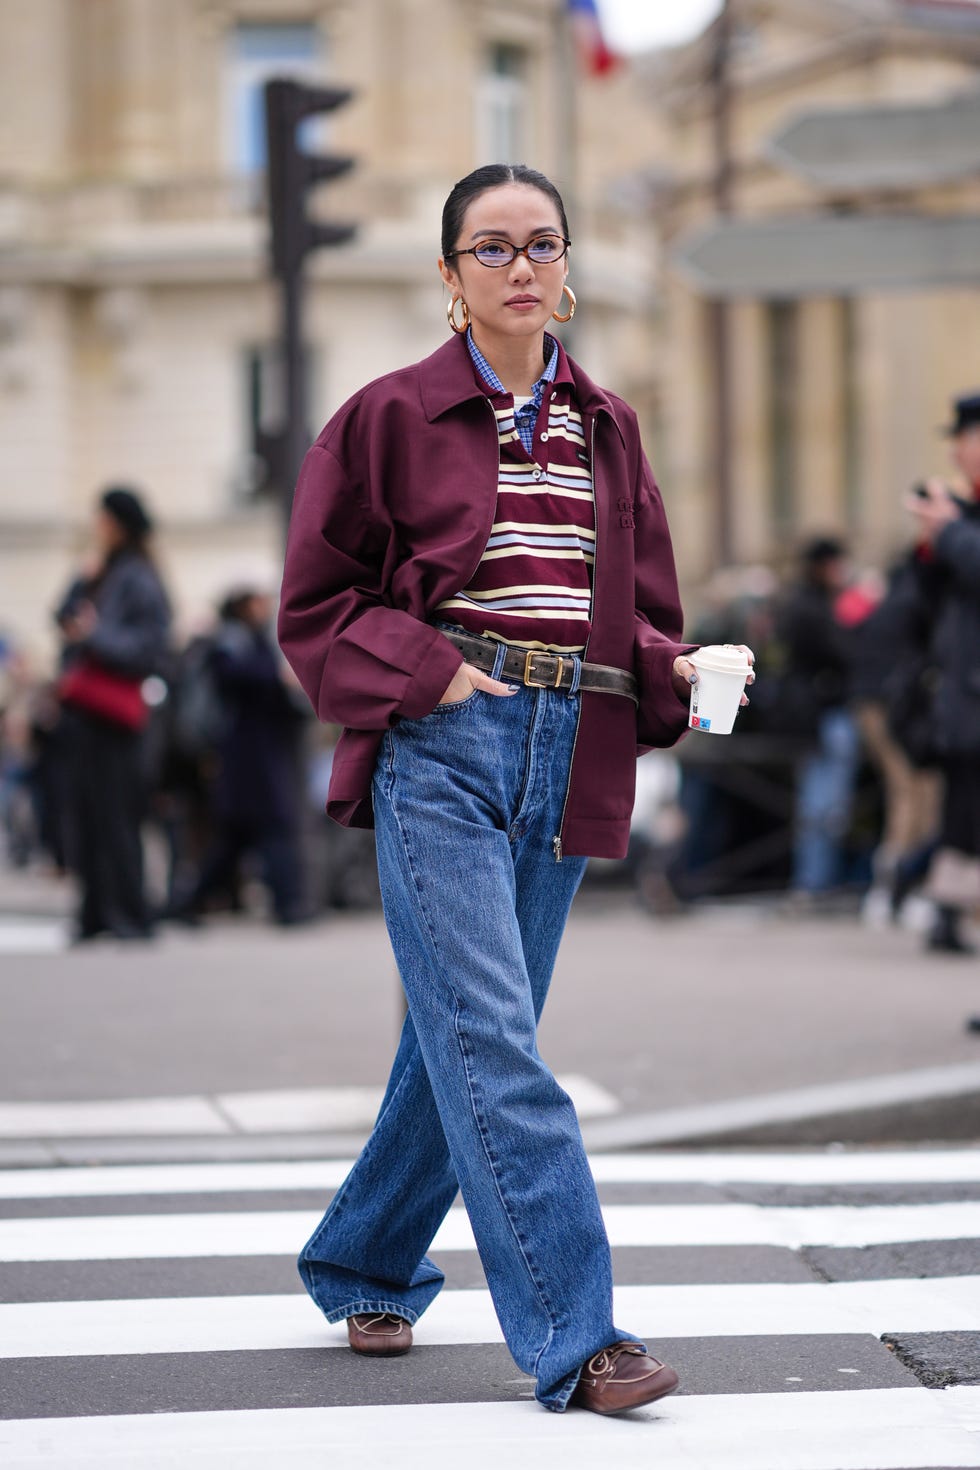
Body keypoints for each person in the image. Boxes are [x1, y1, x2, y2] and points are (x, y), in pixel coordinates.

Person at [278, 163, 753, 1417]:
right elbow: (315, 609)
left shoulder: (608, 424)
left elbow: (635, 611)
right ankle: (576, 1334)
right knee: (492, 1042)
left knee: (468, 1038)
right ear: (448, 278)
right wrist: (426, 674)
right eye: (488, 249)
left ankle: (364, 1256)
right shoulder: (382, 418)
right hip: (442, 744)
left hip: (568, 743)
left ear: (566, 268)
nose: (519, 266)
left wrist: (679, 665)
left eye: (540, 244)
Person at [55, 486, 171, 940]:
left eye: (102, 519)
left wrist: (93, 636)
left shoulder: (140, 578)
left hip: (116, 718)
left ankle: (127, 914)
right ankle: (96, 915)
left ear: (119, 523)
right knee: (86, 814)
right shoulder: (102, 571)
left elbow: (147, 649)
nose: (95, 527)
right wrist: (82, 580)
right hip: (86, 715)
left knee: (116, 816)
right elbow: (63, 616)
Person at [165, 586, 308, 926]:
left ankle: (190, 902)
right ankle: (289, 905)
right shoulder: (232, 642)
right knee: (266, 826)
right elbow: (233, 677)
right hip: (244, 753)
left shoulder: (253, 639)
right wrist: (276, 679)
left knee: (237, 835)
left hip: (257, 750)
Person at [905, 391, 980, 959]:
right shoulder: (965, 512)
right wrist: (932, 545)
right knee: (961, 809)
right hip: (963, 695)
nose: (956, 454)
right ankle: (946, 908)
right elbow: (926, 603)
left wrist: (952, 534)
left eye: (964, 439)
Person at [774, 535, 861, 898]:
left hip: (811, 714)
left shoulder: (800, 603)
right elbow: (842, 653)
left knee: (820, 802)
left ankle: (815, 880)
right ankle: (815, 882)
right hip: (821, 714)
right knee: (824, 804)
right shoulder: (813, 607)